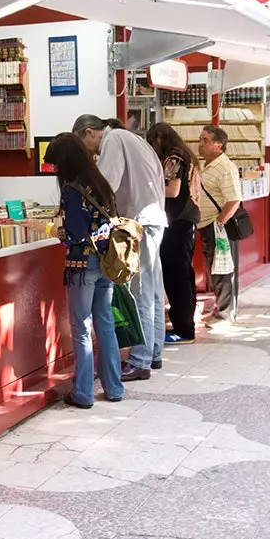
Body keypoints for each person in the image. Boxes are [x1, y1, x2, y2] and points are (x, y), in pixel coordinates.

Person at [72, 115, 166, 381]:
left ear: (90, 133)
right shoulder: (133, 138)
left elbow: (106, 185)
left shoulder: (113, 140)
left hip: (138, 222)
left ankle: (140, 360)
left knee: (140, 292)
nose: (88, 151)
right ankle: (154, 351)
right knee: (153, 288)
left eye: (85, 144)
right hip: (153, 218)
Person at [44, 133, 125, 408]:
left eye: (56, 165)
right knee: (105, 324)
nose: (55, 170)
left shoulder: (72, 189)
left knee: (81, 328)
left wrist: (50, 230)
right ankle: (114, 387)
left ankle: (83, 393)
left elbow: (74, 235)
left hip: (81, 265)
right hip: (105, 263)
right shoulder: (99, 182)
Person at [147, 123, 201, 344]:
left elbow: (172, 190)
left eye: (153, 142)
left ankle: (184, 329)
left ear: (160, 138)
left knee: (175, 277)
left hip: (177, 222)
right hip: (187, 220)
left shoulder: (174, 158)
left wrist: (147, 187)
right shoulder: (187, 156)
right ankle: (185, 324)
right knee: (184, 276)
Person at [197, 126, 243, 323]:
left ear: (218, 145)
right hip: (207, 225)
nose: (200, 144)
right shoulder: (208, 165)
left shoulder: (225, 167)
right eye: (200, 139)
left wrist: (219, 223)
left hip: (218, 228)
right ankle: (221, 308)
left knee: (222, 269)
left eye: (205, 140)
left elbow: (234, 200)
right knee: (215, 268)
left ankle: (225, 313)